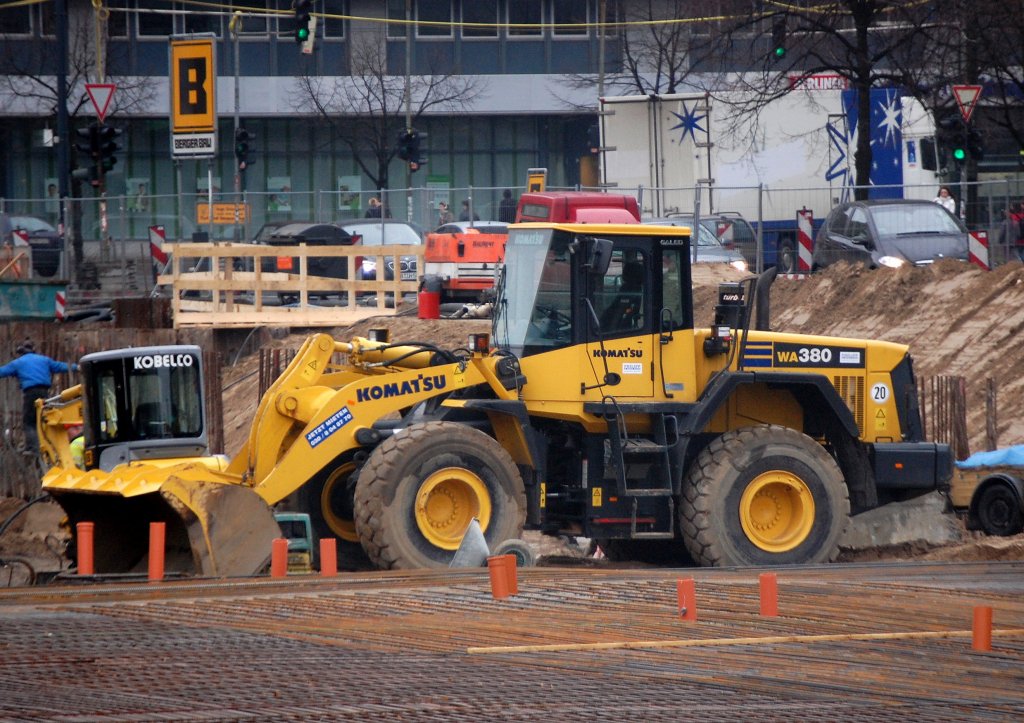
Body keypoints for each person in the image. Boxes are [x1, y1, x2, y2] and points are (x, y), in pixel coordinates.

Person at [0, 340, 78, 455]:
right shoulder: (44, 360)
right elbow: (60, 366)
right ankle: (47, 444)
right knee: (43, 419)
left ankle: (33, 448)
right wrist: (77, 367)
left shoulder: (18, 362)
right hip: (44, 393)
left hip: (30, 393)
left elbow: (3, 371)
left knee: (29, 421)